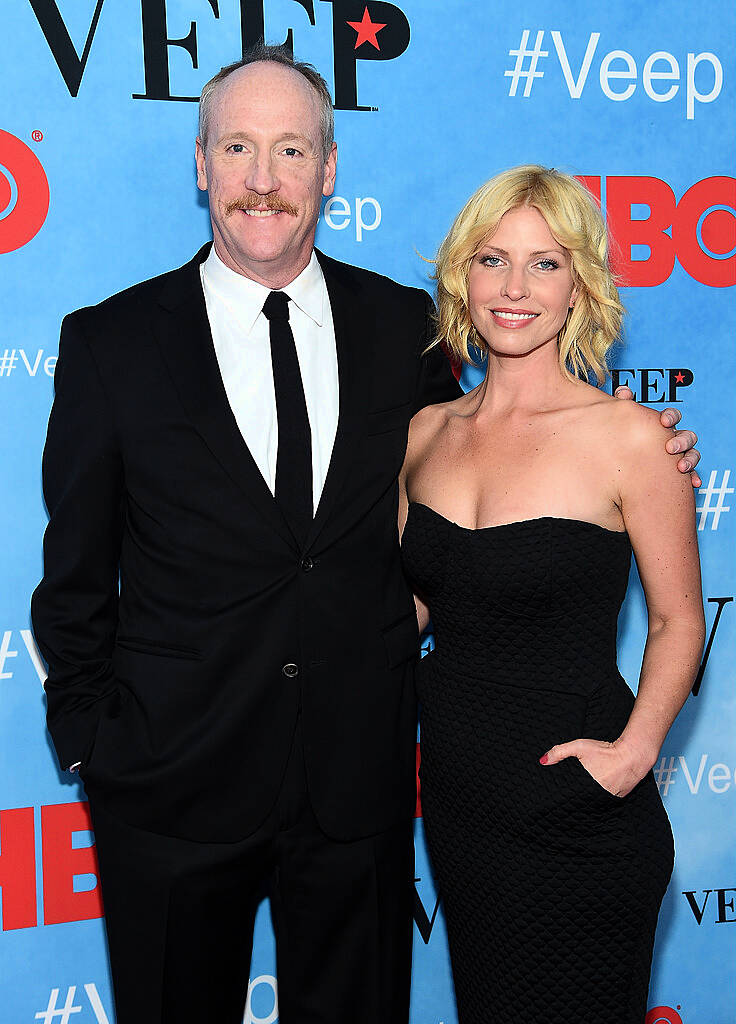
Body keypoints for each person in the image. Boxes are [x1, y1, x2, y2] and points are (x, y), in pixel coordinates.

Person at [31, 43, 699, 1024]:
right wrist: (94, 742)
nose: (264, 180)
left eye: (292, 149)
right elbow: (74, 575)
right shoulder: (111, 340)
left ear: (330, 170)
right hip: (169, 795)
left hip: (360, 799)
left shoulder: (407, 335)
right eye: (240, 148)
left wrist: (654, 450)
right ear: (202, 162)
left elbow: (496, 484)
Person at [399, 165, 706, 1024]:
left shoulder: (630, 437)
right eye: (494, 259)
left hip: (584, 814)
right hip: (463, 808)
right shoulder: (426, 433)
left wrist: (637, 751)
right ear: (463, 273)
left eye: (546, 263)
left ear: (581, 284)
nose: (515, 288)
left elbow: (681, 620)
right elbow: (417, 606)